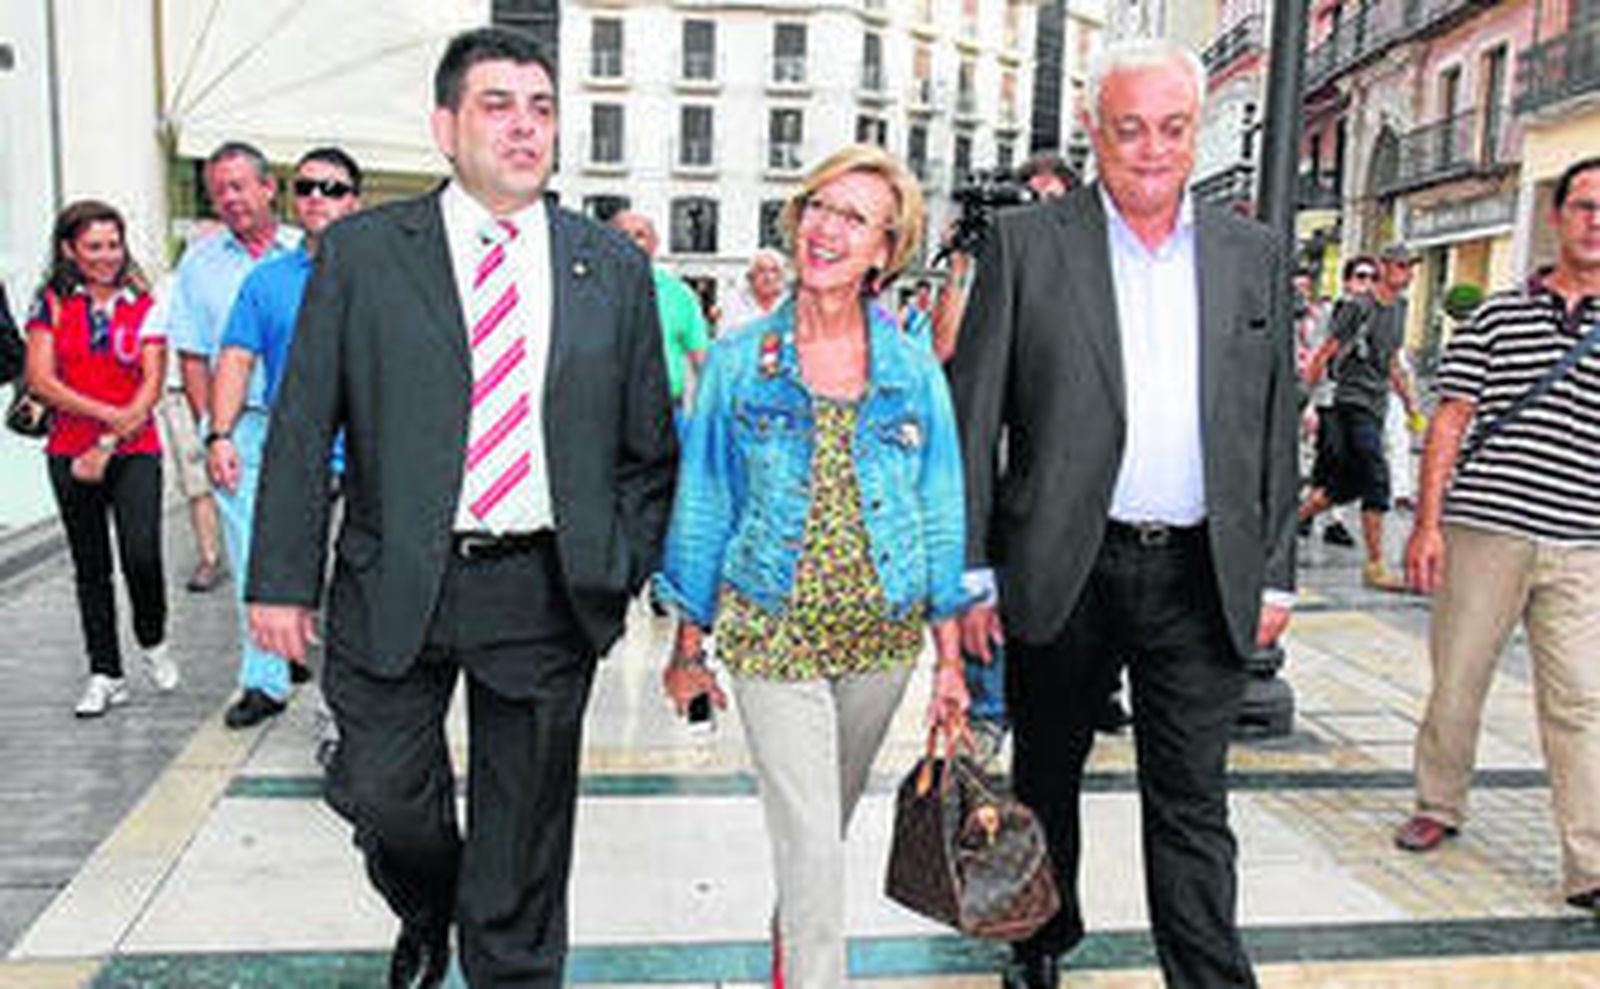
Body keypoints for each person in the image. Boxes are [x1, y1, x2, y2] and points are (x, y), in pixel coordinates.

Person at [245, 27, 676, 988]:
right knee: (382, 796)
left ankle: (507, 963)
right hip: (394, 576)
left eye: (541, 109)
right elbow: (305, 421)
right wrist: (277, 579)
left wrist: (618, 560)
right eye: (497, 106)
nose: (524, 128)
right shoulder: (361, 254)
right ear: (445, 126)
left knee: (523, 843)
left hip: (542, 588)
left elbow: (650, 449)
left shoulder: (609, 267)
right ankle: (427, 901)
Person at [949, 40, 1297, 989]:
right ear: (1097, 133)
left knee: (1191, 800)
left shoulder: (1253, 254)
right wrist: (972, 570)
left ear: (1197, 134)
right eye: (1130, 128)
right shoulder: (1025, 246)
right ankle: (1041, 945)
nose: (1151, 149)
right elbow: (974, 415)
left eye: (1172, 128)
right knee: (1045, 777)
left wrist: (1276, 571)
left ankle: (1208, 974)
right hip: (1064, 563)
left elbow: (1272, 425)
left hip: (1201, 571)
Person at [656, 143, 969, 989]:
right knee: (810, 845)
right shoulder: (737, 360)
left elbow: (940, 502)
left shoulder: (910, 367)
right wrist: (688, 644)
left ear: (885, 248)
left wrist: (949, 659)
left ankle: (789, 964)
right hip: (772, 632)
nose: (828, 229)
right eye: (819, 208)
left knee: (815, 839)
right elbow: (706, 500)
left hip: (882, 639)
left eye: (855, 218)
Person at [1394, 158, 1600, 915]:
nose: (1595, 221)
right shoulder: (1497, 315)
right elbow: (1450, 419)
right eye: (1584, 206)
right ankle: (1439, 803)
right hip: (1486, 529)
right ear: (1558, 215)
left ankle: (1590, 862)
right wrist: (1426, 523)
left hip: (1583, 542)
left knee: (1581, 699)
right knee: (1459, 679)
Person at [207, 146, 365, 729]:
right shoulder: (267, 280)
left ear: (356, 199)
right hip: (294, 456)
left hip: (374, 459)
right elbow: (236, 358)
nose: (317, 198)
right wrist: (220, 434)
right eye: (306, 188)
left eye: (333, 188)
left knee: (358, 592)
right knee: (292, 580)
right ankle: (293, 694)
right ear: (291, 198)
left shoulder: (382, 276)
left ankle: (345, 712)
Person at [23, 201, 179, 716]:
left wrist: (109, 438)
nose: (107, 255)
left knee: (142, 554)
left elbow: (152, 383)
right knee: (91, 568)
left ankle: (152, 637)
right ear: (69, 249)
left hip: (135, 450)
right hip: (69, 452)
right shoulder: (51, 304)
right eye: (94, 246)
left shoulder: (144, 300)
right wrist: (107, 413)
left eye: (113, 243)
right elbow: (43, 381)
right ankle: (106, 673)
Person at [167, 140, 304, 723]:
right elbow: (194, 355)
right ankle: (264, 680)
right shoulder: (199, 264)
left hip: (311, 425)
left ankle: (305, 650)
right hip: (240, 426)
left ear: (268, 187)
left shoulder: (310, 250)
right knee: (250, 553)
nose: (230, 198)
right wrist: (212, 430)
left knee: (318, 546)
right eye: (220, 189)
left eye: (240, 185)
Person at [1298, 243, 1423, 590]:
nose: (1407, 273)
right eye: (1400, 265)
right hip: (1346, 402)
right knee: (1376, 477)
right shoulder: (1357, 308)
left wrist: (1411, 403)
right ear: (1384, 267)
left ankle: (1285, 527)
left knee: (1343, 486)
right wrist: (1304, 402)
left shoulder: (1400, 308)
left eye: (1411, 267)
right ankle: (1375, 565)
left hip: (1375, 403)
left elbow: (1393, 361)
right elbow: (1325, 352)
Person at [1300, 256, 1381, 548]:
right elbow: (1317, 355)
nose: (1367, 284)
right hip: (1328, 399)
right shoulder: (1332, 314)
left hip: (1355, 402)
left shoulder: (1375, 315)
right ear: (1347, 281)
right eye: (1361, 276)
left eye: (1373, 278)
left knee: (1334, 462)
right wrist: (1307, 402)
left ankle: (1321, 516)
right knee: (1333, 459)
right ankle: (1317, 515)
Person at [609, 210, 711, 420]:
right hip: (603, 414)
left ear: (655, 244)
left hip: (665, 414)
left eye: (640, 235)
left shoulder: (679, 294)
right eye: (623, 235)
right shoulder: (588, 292)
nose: (631, 243)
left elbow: (702, 360)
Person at [720, 247, 787, 332]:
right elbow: (724, 338)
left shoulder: (790, 301)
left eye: (773, 271)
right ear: (751, 276)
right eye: (761, 270)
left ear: (780, 276)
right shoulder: (734, 299)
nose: (768, 277)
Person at [899, 278, 934, 351]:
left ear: (929, 295)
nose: (922, 297)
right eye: (920, 294)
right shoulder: (908, 309)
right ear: (916, 294)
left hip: (926, 350)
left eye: (925, 294)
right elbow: (900, 328)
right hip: (910, 348)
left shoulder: (932, 312)